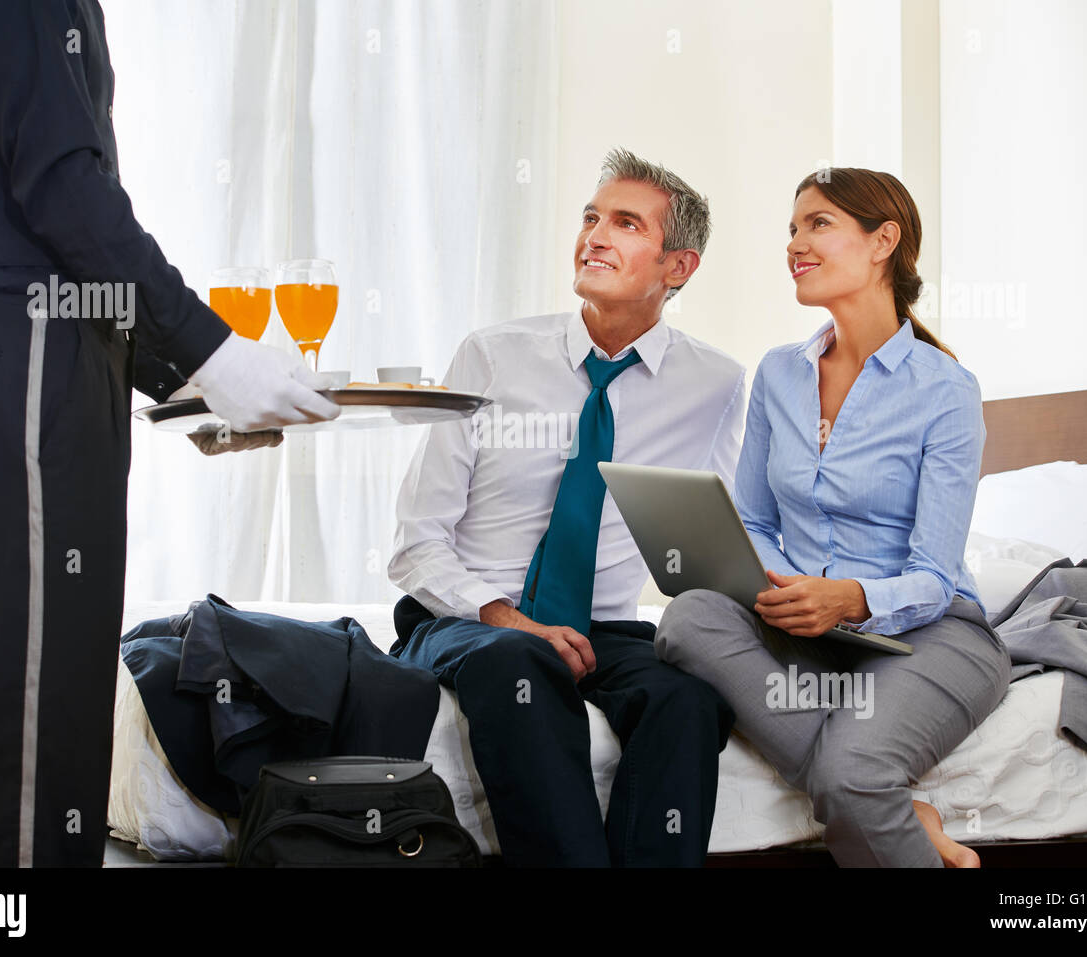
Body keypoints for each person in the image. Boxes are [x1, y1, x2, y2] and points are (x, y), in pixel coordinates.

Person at [0, 0, 338, 867]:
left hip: (55, 352)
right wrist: (213, 354)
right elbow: (65, 193)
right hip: (27, 350)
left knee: (50, 706)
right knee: (28, 723)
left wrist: (184, 384)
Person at [388, 148, 744, 866]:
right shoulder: (492, 356)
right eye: (590, 217)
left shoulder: (717, 383)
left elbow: (724, 540)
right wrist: (508, 617)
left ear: (678, 267)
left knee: (690, 700)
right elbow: (415, 543)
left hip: (605, 628)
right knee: (519, 662)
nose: (594, 236)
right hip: (472, 619)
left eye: (624, 223)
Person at [654, 167, 1012, 867]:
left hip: (929, 634)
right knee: (688, 617)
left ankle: (868, 793)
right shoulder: (780, 374)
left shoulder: (946, 390)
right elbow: (754, 518)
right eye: (792, 228)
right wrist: (766, 577)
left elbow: (934, 576)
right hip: (808, 626)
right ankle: (900, 808)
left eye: (818, 224)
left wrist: (848, 598)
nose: (795, 242)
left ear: (885, 241)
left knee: (853, 771)